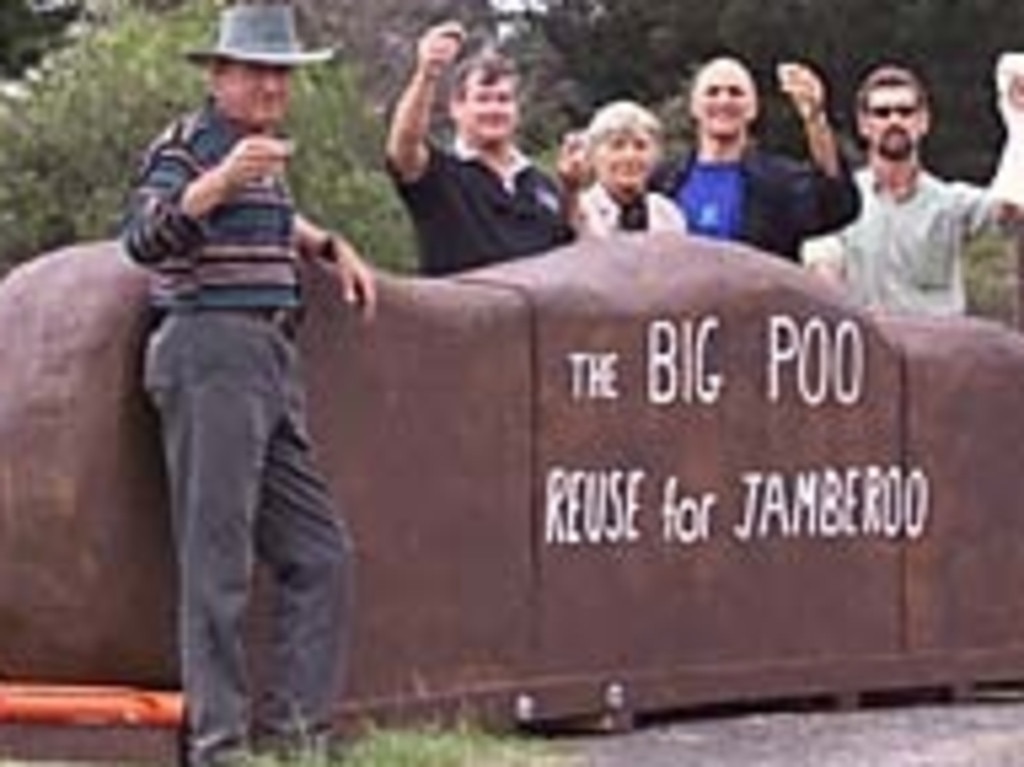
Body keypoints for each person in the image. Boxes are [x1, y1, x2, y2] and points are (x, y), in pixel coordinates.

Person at [121, 3, 376, 764]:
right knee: (217, 564)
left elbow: (270, 220)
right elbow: (142, 236)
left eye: (282, 73)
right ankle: (219, 745)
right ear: (219, 73)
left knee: (322, 553)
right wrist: (219, 182)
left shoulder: (257, 152)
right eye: (258, 71)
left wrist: (328, 243)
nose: (273, 86)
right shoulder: (189, 145)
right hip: (209, 352)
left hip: (270, 357)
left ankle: (299, 737)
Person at [808, 64, 1013, 315]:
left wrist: (1017, 119)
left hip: (939, 348)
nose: (895, 120)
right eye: (882, 113)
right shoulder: (840, 202)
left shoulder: (952, 203)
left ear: (923, 121)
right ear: (864, 125)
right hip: (870, 347)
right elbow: (821, 273)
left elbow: (1012, 209)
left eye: (905, 111)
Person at [386, 21, 576, 275]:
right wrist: (427, 74)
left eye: (503, 99)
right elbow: (403, 146)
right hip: (460, 312)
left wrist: (572, 190)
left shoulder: (542, 184)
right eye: (483, 99)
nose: (494, 109)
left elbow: (570, 253)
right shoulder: (438, 175)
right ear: (456, 108)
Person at [651, 56, 860, 261]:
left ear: (753, 109)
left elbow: (836, 205)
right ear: (694, 107)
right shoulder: (664, 183)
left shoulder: (778, 182)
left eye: (736, 93)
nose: (724, 101)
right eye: (712, 92)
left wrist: (815, 119)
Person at [572, 100, 687, 237]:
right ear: (593, 155)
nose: (630, 156)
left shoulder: (667, 214)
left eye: (640, 146)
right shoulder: (579, 211)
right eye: (617, 145)